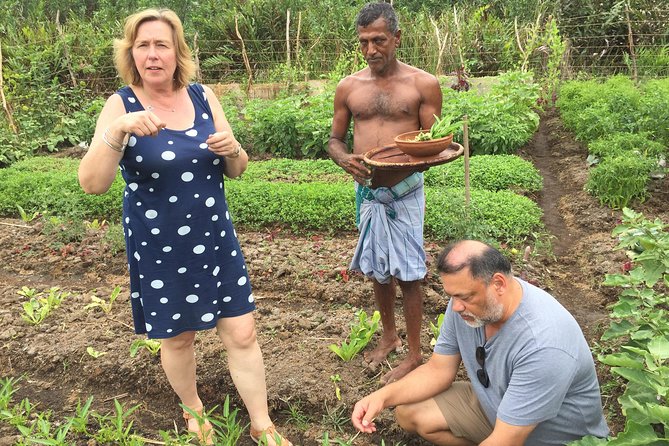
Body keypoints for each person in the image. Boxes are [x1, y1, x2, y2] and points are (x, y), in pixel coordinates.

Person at [78, 9, 291, 446]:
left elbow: (236, 168)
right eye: (143, 46)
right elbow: (92, 184)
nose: (153, 55)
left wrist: (235, 149)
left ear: (178, 53)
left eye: (162, 45)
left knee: (243, 331)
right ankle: (194, 412)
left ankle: (262, 423)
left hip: (214, 240)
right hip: (159, 246)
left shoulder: (202, 96)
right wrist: (118, 131)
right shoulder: (121, 105)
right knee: (178, 339)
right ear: (131, 54)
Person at [351, 240, 610, 445]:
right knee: (410, 412)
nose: (456, 306)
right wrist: (382, 397)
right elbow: (438, 370)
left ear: (498, 283)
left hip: (550, 438)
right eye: (452, 295)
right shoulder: (466, 306)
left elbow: (509, 439)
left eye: (464, 296)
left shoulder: (544, 343)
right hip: (498, 411)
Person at [327, 2, 443, 385]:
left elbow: (434, 142)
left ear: (397, 38)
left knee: (409, 275)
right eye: (363, 42)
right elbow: (334, 141)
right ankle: (389, 337)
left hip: (405, 191)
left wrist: (405, 164)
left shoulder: (422, 85)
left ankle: (413, 354)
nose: (371, 50)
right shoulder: (349, 87)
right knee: (378, 270)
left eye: (378, 40)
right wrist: (345, 160)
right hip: (366, 192)